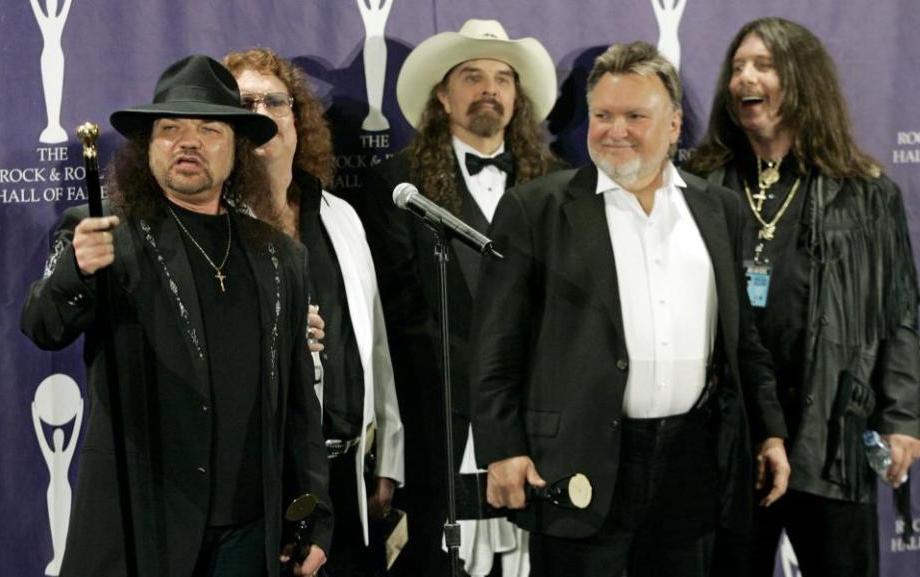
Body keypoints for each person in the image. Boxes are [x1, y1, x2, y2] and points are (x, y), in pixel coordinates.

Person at [470, 41, 791, 577]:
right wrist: (502, 449)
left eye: (635, 116)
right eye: (602, 115)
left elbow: (741, 341)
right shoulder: (536, 209)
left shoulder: (719, 210)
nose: (614, 130)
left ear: (673, 126)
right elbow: (496, 345)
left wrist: (770, 432)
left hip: (692, 465)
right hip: (575, 464)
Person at [20, 54, 331, 577]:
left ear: (237, 149)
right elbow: (42, 326)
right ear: (149, 147)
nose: (188, 142)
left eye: (209, 129)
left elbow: (298, 402)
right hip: (142, 535)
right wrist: (76, 269)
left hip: (250, 538)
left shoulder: (281, 256)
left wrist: (313, 513)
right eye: (171, 129)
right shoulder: (103, 232)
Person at [686, 17, 920, 577]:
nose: (745, 76)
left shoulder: (866, 194)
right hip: (731, 441)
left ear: (803, 81)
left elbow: (898, 315)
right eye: (738, 66)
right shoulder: (698, 186)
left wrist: (903, 420)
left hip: (831, 435)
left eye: (763, 65)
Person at [359, 18, 560, 577]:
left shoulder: (559, 185)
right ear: (443, 96)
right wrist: (484, 395)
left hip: (540, 423)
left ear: (517, 98)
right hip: (437, 427)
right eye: (472, 76)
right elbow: (400, 316)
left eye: (502, 78)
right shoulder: (396, 185)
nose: (489, 89)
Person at [223, 47, 405, 576]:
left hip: (352, 474)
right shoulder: (215, 227)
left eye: (274, 102)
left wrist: (388, 457)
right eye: (244, 103)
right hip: (265, 482)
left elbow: (375, 344)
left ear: (296, 120)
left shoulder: (340, 214)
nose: (261, 114)